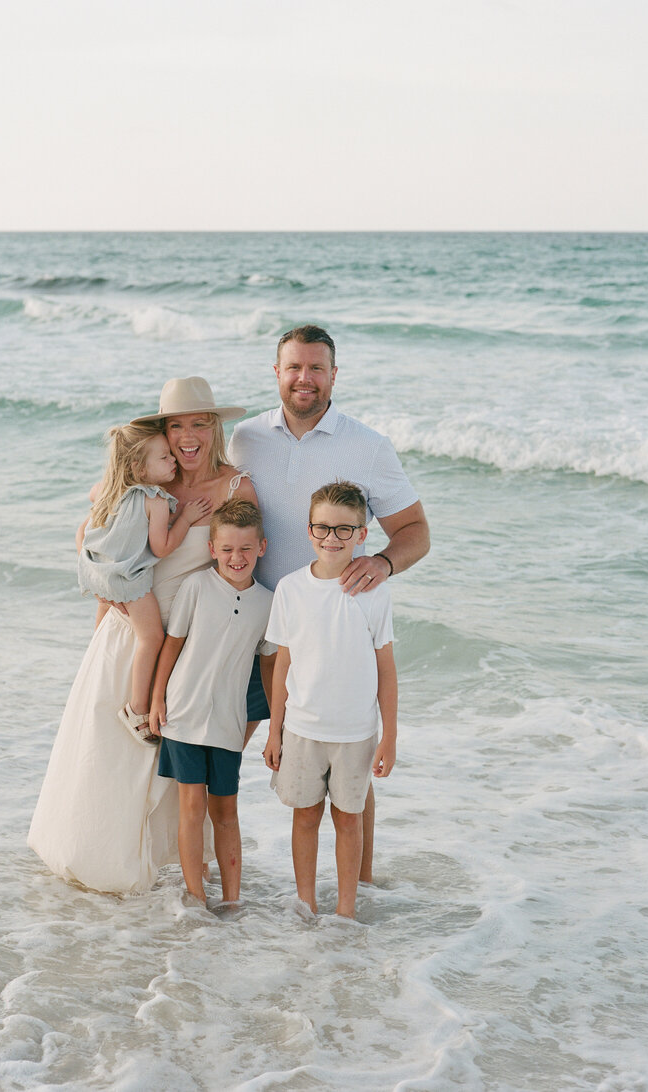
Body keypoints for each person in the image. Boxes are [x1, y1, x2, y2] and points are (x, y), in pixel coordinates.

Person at [28, 377, 256, 895]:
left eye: (199, 422)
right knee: (111, 753)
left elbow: (243, 567)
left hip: (188, 646)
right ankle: (100, 861)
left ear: (215, 427)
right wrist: (106, 598)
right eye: (177, 425)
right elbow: (93, 535)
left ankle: (172, 872)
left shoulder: (235, 487)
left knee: (167, 767)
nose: (188, 436)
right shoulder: (143, 482)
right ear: (163, 433)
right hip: (130, 629)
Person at [227, 325, 429, 881]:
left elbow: (415, 530)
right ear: (276, 372)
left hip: (333, 638)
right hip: (257, 625)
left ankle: (359, 890)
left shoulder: (366, 446)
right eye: (294, 367)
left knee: (348, 770)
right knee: (222, 748)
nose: (304, 378)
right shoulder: (244, 438)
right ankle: (198, 868)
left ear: (335, 375)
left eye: (317, 368)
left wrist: (383, 563)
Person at [263, 481, 397, 918]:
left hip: (356, 733)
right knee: (304, 819)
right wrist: (274, 730)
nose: (332, 539)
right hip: (301, 729)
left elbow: (386, 669)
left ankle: (345, 912)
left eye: (344, 530)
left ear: (362, 535)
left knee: (348, 821)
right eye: (322, 528)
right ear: (308, 531)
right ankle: (304, 905)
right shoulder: (290, 589)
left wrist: (389, 736)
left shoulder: (373, 591)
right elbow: (283, 663)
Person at [149, 500, 275, 906]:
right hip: (183, 713)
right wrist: (156, 699)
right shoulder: (197, 587)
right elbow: (172, 644)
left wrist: (278, 725)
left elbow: (270, 666)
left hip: (228, 722)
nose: (235, 558)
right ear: (212, 549)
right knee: (190, 805)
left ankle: (233, 901)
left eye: (244, 549)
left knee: (226, 812)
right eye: (226, 549)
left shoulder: (269, 603)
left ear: (262, 548)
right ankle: (197, 897)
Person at [77, 421, 210, 743]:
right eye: (164, 457)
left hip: (97, 570)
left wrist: (87, 558)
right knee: (151, 638)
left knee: (105, 617)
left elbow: (85, 524)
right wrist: (188, 520)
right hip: (127, 579)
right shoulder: (156, 501)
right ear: (138, 466)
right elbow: (162, 547)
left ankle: (97, 665)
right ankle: (136, 709)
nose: (173, 461)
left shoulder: (107, 490)